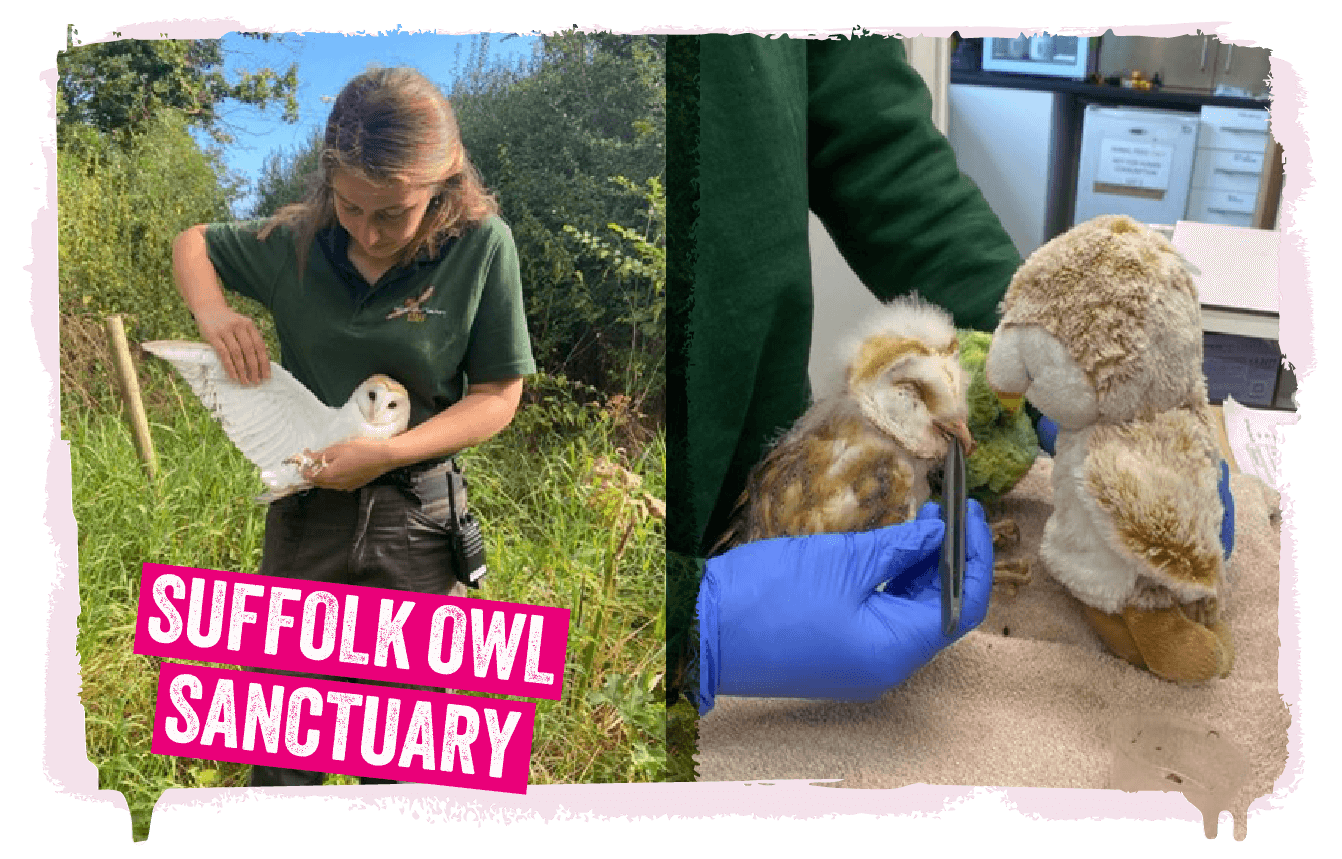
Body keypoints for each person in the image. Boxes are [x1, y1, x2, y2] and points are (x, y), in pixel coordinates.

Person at [170, 66, 536, 785]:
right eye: (350, 206)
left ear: (444, 186)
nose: (367, 232)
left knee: (401, 763)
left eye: (392, 214)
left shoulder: (483, 246)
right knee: (282, 754)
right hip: (307, 518)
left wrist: (387, 453)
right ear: (327, 185)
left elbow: (496, 393)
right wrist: (213, 313)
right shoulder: (298, 242)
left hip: (417, 528)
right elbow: (195, 243)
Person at [667, 35, 1023, 715]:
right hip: (617, 569)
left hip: (756, 486)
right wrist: (681, 624)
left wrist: (1036, 336)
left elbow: (870, 130)